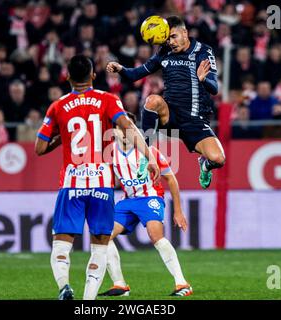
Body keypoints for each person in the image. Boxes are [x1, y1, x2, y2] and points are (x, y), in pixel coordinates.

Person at [34, 55, 160, 300]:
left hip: (72, 183)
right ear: (93, 75)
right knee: (100, 243)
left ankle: (64, 287)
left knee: (62, 242)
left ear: (67, 77)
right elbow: (128, 128)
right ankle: (88, 301)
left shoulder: (58, 106)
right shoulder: (107, 99)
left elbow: (40, 148)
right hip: (102, 183)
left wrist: (63, 136)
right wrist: (149, 157)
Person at [106, 15, 225, 189]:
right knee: (153, 100)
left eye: (174, 36)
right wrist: (120, 69)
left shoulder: (203, 51)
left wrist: (203, 79)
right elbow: (135, 75)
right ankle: (145, 157)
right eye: (167, 38)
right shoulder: (164, 52)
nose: (171, 42)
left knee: (218, 159)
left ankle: (205, 165)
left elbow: (214, 87)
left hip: (195, 120)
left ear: (185, 33)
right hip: (170, 115)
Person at [99, 112, 193, 298]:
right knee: (103, 237)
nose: (125, 131)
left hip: (150, 197)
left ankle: (182, 283)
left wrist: (178, 211)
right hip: (128, 201)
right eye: (121, 128)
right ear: (114, 131)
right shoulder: (109, 154)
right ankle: (120, 285)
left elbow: (171, 180)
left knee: (155, 235)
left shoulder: (149, 152)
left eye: (130, 128)